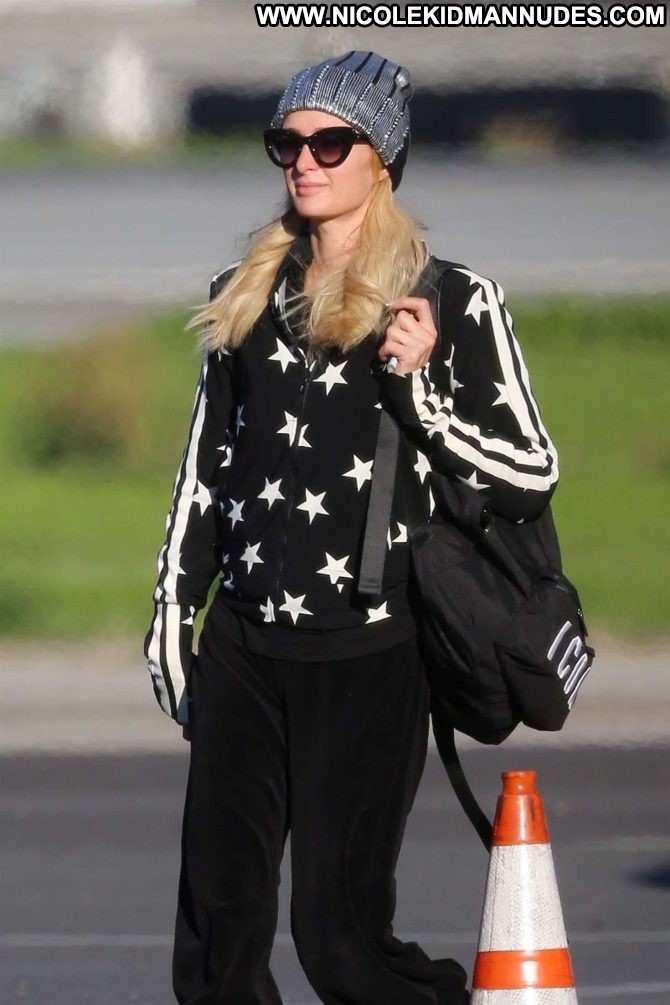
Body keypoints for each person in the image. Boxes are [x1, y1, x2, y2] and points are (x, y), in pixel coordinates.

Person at [144, 51, 559, 1005]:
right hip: (243, 650)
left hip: (370, 656)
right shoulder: (243, 293)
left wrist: (424, 400)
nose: (305, 159)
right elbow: (206, 468)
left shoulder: (453, 300)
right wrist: (172, 606)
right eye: (287, 142)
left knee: (341, 944)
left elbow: (532, 474)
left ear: (383, 159)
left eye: (332, 141)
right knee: (215, 944)